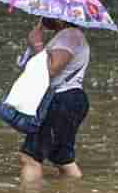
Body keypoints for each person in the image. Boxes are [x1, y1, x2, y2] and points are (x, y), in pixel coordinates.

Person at [19, 17, 89, 182]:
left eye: (45, 13)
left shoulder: (69, 36)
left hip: (61, 100)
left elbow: (51, 69)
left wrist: (37, 44)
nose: (42, 17)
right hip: (71, 99)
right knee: (62, 158)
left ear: (60, 17)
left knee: (30, 157)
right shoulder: (68, 35)